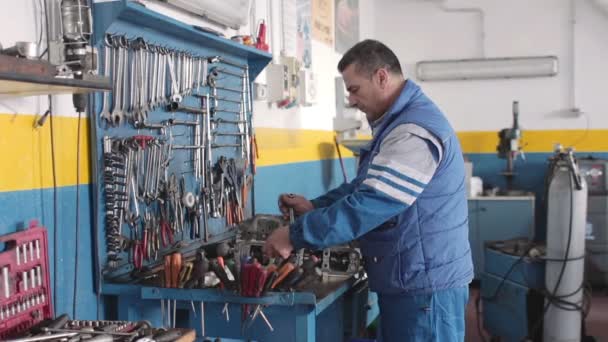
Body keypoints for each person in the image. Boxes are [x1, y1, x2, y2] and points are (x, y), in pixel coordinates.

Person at [263, 39, 473, 341]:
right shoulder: (397, 124)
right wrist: (315, 206)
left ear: (382, 77)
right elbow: (364, 187)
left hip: (425, 289)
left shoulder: (412, 131)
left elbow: (372, 202)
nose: (350, 99)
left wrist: (294, 235)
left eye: (354, 89)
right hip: (410, 279)